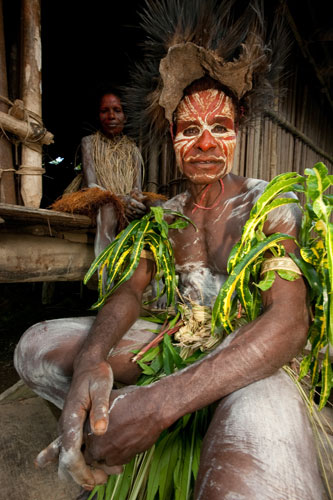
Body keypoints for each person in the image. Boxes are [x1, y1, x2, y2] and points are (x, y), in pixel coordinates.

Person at [14, 1, 324, 499]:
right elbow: (131, 290)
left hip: (252, 360)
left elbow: (288, 323)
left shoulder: (271, 203)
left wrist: (159, 404)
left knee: (246, 479)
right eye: (189, 130)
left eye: (219, 128)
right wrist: (94, 358)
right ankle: (98, 436)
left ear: (238, 130)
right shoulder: (164, 216)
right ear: (173, 136)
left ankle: (210, 429)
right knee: (36, 348)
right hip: (175, 344)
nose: (204, 143)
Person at [81, 89, 147, 256]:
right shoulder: (89, 143)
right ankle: (104, 272)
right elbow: (91, 185)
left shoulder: (133, 149)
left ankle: (148, 272)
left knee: (154, 208)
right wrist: (121, 200)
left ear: (125, 116)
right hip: (98, 202)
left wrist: (135, 202)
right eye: (105, 111)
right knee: (109, 208)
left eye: (117, 110)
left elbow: (137, 188)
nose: (111, 116)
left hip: (125, 203)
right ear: (98, 115)